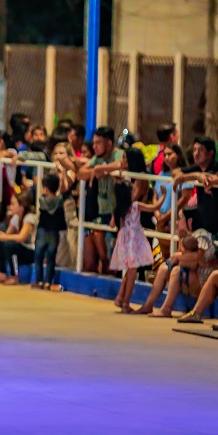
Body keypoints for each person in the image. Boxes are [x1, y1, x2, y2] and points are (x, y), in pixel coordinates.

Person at [76, 126, 124, 273]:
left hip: (117, 211)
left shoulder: (118, 154)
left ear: (109, 143)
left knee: (113, 255)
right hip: (102, 211)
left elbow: (121, 164)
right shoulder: (97, 158)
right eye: (94, 142)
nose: (94, 147)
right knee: (102, 255)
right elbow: (81, 173)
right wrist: (96, 170)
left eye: (99, 143)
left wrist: (102, 169)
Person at [110, 182, 161, 313]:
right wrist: (163, 195)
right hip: (134, 243)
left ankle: (120, 297)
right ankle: (126, 303)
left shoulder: (119, 209)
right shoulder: (135, 206)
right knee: (132, 275)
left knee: (129, 271)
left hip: (124, 243)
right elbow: (154, 207)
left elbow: (111, 224)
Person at [174, 136, 218, 236]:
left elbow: (214, 177)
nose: (196, 153)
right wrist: (197, 175)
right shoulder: (198, 168)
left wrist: (193, 176)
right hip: (204, 225)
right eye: (194, 150)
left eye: (201, 150)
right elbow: (176, 172)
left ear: (210, 152)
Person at [0, 192, 37, 285]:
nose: (10, 207)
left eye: (13, 204)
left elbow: (21, 237)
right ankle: (1, 272)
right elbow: (6, 235)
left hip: (31, 252)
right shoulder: (15, 218)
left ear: (21, 207)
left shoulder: (29, 218)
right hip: (20, 249)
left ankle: (15, 276)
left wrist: (1, 237)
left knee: (10, 245)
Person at [33, 172, 69, 289]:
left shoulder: (42, 200)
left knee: (38, 257)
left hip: (42, 230)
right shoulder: (60, 200)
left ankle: (39, 281)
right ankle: (48, 281)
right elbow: (65, 192)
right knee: (51, 258)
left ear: (45, 188)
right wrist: (62, 180)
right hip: (54, 232)